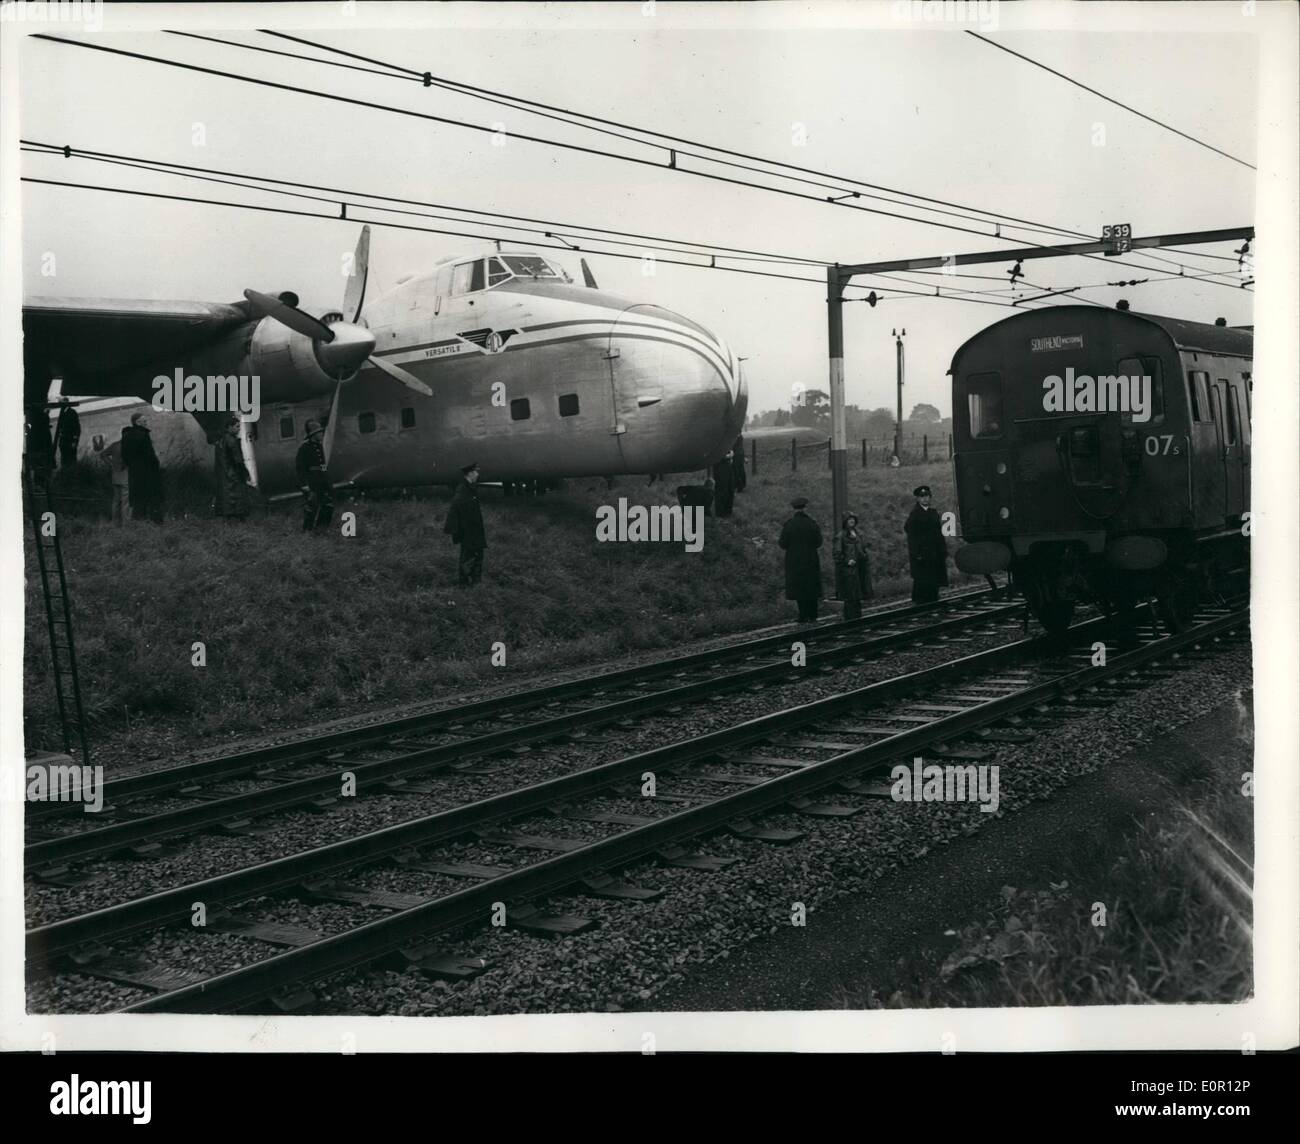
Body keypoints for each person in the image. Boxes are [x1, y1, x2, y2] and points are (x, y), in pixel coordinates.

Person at [779, 495, 823, 623]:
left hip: (794, 561)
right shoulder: (812, 523)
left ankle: (803, 615)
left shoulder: (789, 525)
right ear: (805, 508)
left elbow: (782, 544)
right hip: (811, 560)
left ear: (793, 509)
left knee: (799, 588)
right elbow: (819, 542)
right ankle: (813, 615)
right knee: (811, 587)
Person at [905, 484, 949, 603]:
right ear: (918, 499)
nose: (925, 499)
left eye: (927, 496)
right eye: (922, 497)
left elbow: (939, 533)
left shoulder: (933, 513)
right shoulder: (914, 514)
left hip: (934, 552)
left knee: (934, 578)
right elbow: (911, 536)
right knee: (922, 580)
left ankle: (932, 601)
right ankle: (921, 603)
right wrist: (916, 553)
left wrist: (943, 549)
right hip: (922, 553)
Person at [444, 461, 487, 585]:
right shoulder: (463, 490)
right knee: (468, 557)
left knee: (477, 555)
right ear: (470, 474)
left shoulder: (470, 488)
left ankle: (475, 582)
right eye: (476, 472)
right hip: (469, 532)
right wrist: (457, 531)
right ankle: (465, 584)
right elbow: (455, 510)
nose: (478, 474)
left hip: (475, 530)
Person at [120, 411, 164, 523]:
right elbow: (150, 455)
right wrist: (157, 466)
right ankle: (156, 522)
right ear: (137, 422)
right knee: (153, 496)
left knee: (138, 498)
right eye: (144, 421)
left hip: (134, 472)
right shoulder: (144, 435)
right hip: (148, 471)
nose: (146, 423)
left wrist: (132, 465)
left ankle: (138, 522)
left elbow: (124, 455)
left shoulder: (126, 435)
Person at [833, 510, 875, 620]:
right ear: (845, 522)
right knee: (850, 595)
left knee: (858, 594)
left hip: (859, 568)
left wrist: (865, 556)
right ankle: (850, 618)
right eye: (849, 519)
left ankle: (857, 617)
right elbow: (837, 554)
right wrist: (847, 561)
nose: (851, 521)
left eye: (853, 519)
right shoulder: (840, 536)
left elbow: (862, 548)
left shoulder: (858, 534)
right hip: (849, 570)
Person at [295, 419, 334, 531]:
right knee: (312, 506)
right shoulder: (304, 448)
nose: (321, 434)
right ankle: (307, 531)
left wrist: (327, 480)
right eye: (319, 432)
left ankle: (321, 529)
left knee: (328, 505)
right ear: (313, 434)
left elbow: (323, 465)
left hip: (321, 480)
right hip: (311, 481)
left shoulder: (319, 446)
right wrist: (304, 484)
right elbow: (300, 468)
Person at [216, 415, 252, 520]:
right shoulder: (232, 441)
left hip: (225, 473)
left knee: (228, 497)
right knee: (238, 496)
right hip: (233, 473)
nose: (239, 429)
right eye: (237, 426)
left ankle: (228, 518)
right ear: (229, 427)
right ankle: (240, 518)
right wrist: (245, 472)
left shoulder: (222, 440)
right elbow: (238, 460)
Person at [92, 432, 130, 525]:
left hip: (115, 476)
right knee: (125, 501)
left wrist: (110, 464)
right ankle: (126, 523)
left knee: (116, 500)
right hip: (125, 476)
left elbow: (103, 454)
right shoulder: (128, 446)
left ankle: (115, 522)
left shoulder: (115, 445)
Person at [54, 398, 81, 470]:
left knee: (71, 460)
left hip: (70, 441)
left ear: (66, 402)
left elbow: (77, 428)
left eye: (61, 402)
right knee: (64, 461)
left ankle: (72, 476)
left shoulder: (72, 412)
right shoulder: (62, 413)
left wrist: (74, 441)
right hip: (63, 442)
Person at [712, 452, 735, 517]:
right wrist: (728, 456)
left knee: (730, 488)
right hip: (720, 466)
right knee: (722, 489)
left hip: (727, 465)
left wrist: (731, 454)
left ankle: (727, 511)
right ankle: (720, 513)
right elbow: (715, 455)